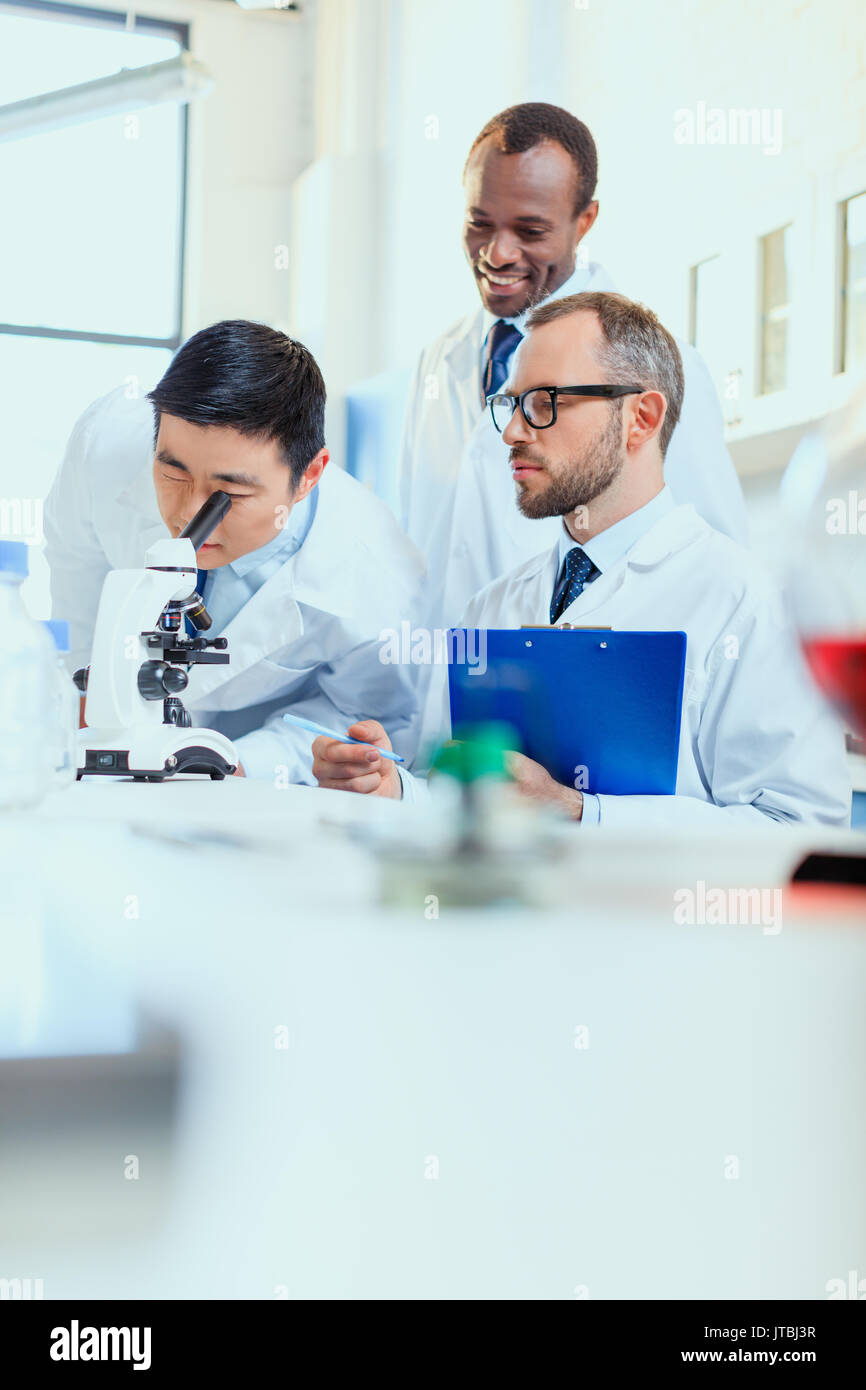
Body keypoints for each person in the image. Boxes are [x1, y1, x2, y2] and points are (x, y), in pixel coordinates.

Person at [312, 292, 851, 830]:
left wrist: (579, 812)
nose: (512, 432)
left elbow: (798, 826)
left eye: (545, 402)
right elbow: (469, 792)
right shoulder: (491, 606)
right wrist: (397, 787)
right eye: (512, 404)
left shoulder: (747, 602)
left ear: (641, 417)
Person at [399, 101, 748, 633]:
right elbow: (422, 549)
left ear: (584, 221)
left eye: (531, 230)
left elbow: (714, 569)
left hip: (581, 683)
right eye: (479, 223)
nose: (497, 253)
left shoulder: (654, 362)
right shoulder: (437, 360)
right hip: (446, 695)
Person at [43, 320, 425, 782]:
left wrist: (239, 766)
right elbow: (77, 568)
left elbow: (361, 716)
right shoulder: (105, 446)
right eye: (174, 474)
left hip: (256, 761)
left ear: (309, 474)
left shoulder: (378, 578)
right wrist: (101, 695)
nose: (188, 515)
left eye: (231, 493)